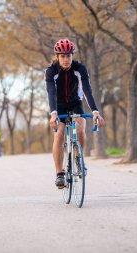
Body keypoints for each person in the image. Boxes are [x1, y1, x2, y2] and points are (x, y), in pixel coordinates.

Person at [45, 38, 105, 188]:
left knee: (80, 130)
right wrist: (53, 114)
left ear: (72, 56)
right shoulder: (51, 71)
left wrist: (95, 111)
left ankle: (79, 158)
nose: (66, 59)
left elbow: (87, 91)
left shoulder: (80, 69)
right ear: (57, 57)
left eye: (69, 56)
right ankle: (60, 173)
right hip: (58, 106)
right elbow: (51, 93)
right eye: (63, 56)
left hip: (75, 103)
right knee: (59, 135)